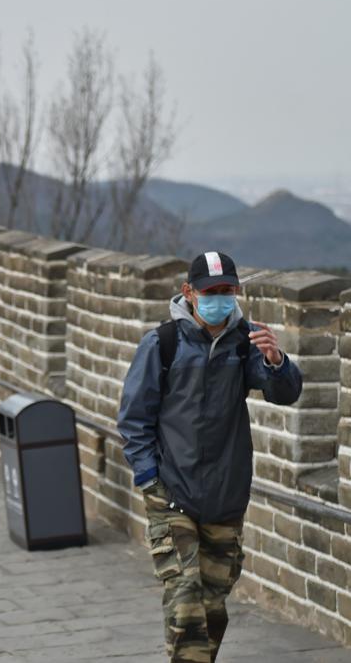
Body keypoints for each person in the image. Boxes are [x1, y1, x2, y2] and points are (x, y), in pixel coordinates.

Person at [117, 251, 303, 663]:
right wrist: (150, 480)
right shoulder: (162, 344)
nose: (220, 299)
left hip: (225, 495)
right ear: (189, 292)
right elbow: (133, 420)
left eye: (227, 291)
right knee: (185, 600)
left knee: (212, 608)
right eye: (210, 292)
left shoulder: (245, 342)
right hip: (172, 493)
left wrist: (276, 361)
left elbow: (286, 393)